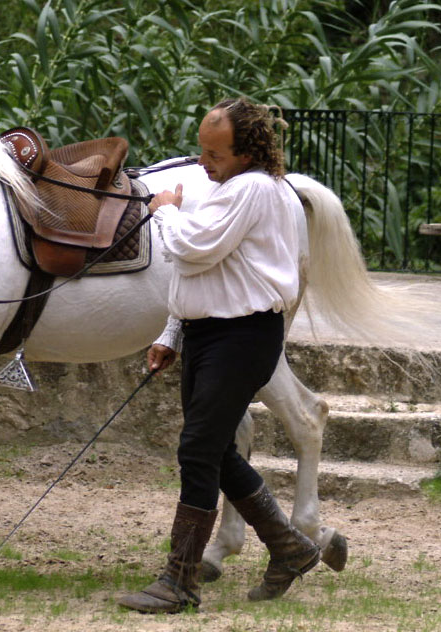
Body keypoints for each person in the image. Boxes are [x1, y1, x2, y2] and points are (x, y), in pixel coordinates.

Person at [118, 97, 320, 614]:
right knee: (214, 451)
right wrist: (172, 332)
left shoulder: (252, 188)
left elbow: (191, 250)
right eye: (203, 150)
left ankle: (181, 580)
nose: (204, 162)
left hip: (243, 336)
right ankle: (290, 547)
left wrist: (163, 213)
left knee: (198, 451)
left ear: (248, 150)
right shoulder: (230, 187)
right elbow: (201, 273)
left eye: (216, 153)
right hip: (209, 335)